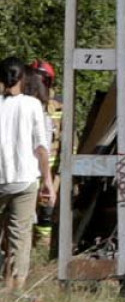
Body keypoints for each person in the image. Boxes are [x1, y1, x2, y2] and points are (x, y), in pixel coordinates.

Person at [0, 57, 53, 290]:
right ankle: (16, 284)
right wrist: (48, 181)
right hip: (25, 179)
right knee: (20, 235)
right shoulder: (33, 106)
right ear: (23, 78)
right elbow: (41, 147)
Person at [25, 61, 58, 244]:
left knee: (46, 211)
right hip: (28, 169)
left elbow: (67, 138)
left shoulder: (56, 105)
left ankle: (41, 248)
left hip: (50, 169)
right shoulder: (20, 102)